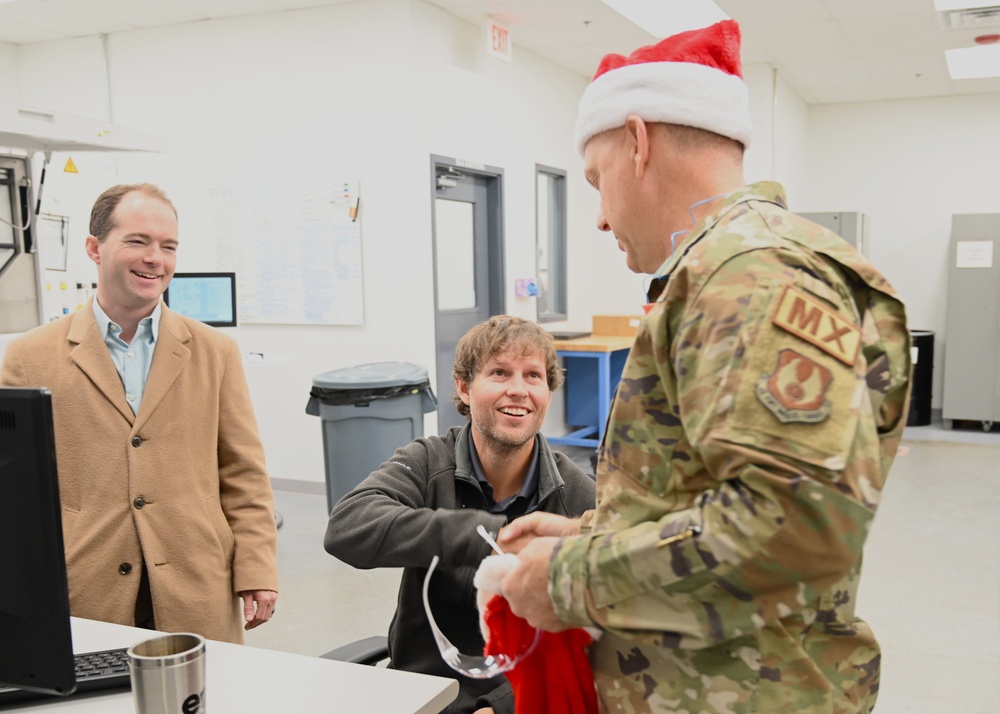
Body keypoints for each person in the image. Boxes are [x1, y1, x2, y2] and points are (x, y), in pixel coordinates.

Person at [495, 20, 912, 713]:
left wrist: (568, 578)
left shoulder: (750, 275)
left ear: (638, 141)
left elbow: (795, 524)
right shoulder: (723, 272)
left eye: (597, 181)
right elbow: (701, 493)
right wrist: (590, 533)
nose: (599, 217)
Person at [1, 183, 278, 644]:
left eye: (168, 246)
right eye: (138, 241)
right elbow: (15, 493)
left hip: (195, 577)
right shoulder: (30, 357)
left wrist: (257, 566)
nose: (156, 258)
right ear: (94, 248)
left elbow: (243, 471)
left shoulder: (215, 352)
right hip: (85, 582)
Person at [324, 315, 596, 714]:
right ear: (465, 387)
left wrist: (501, 707)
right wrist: (486, 537)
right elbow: (347, 528)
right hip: (418, 697)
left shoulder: (578, 497)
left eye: (533, 376)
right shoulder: (427, 462)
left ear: (548, 392)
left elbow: (596, 642)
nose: (518, 390)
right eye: (500, 373)